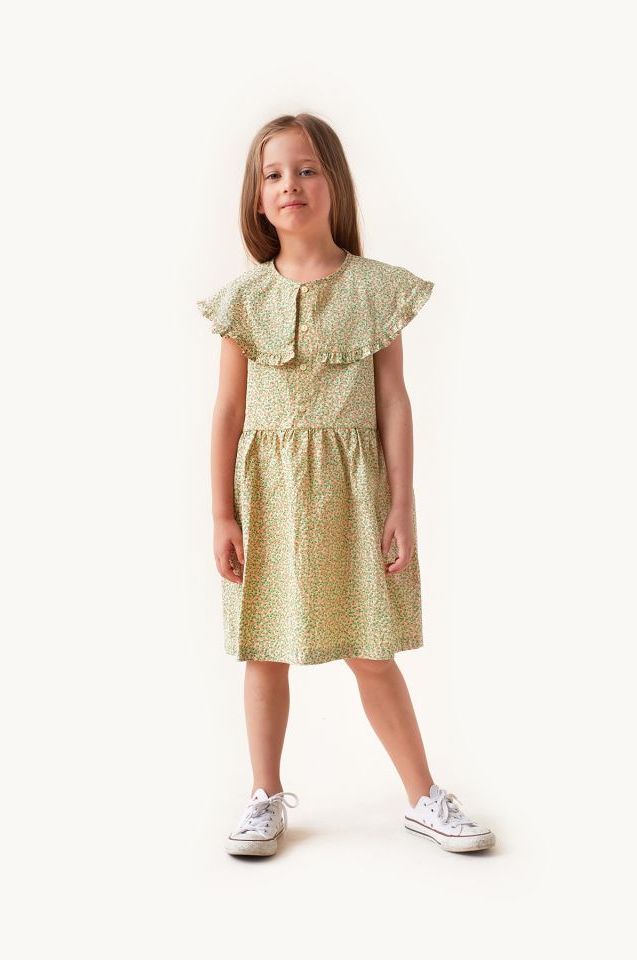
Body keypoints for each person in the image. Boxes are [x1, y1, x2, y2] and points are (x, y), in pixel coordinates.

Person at [197, 113, 496, 857]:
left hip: (355, 496)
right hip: (267, 499)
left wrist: (402, 502)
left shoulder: (375, 290)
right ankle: (264, 797)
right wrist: (221, 514)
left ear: (334, 181)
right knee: (264, 649)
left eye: (306, 169)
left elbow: (393, 399)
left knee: (371, 650)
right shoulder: (242, 301)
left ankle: (423, 797)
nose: (290, 185)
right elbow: (228, 411)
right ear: (257, 196)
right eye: (273, 174)